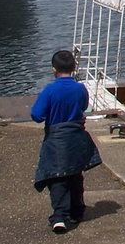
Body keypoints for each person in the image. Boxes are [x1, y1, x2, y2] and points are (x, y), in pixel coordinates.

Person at [31, 50, 101, 234]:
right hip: (76, 136)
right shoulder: (80, 89)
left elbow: (37, 115)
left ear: (54, 70)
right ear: (73, 68)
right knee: (75, 174)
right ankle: (77, 211)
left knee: (57, 176)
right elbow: (84, 106)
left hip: (56, 138)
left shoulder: (50, 91)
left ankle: (60, 216)